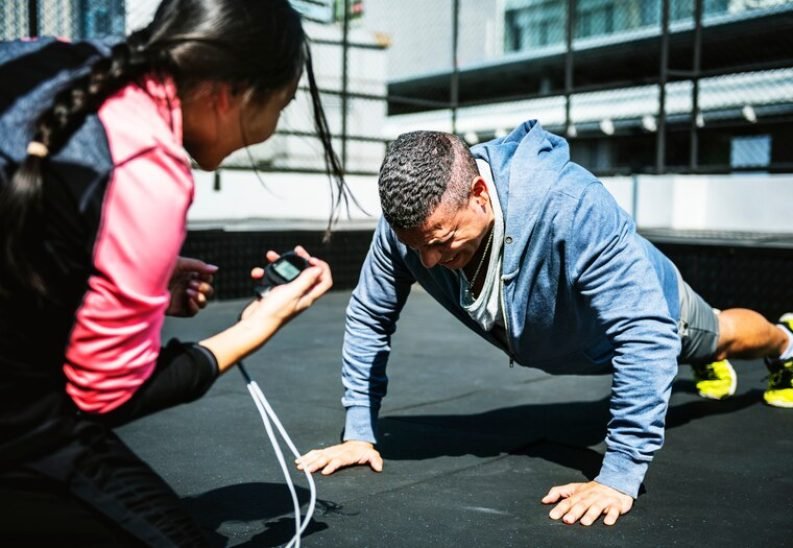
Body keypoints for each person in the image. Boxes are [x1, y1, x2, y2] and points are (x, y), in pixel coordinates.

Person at [297, 122, 793, 527]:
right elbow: (369, 315)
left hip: (653, 304)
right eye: (417, 246)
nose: (428, 260)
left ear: (478, 194)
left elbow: (644, 331)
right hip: (572, 340)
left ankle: (785, 343)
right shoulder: (410, 230)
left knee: (722, 334)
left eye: (443, 240)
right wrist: (359, 431)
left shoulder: (569, 205)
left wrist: (619, 473)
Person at [0, 0, 342, 544]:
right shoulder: (147, 171)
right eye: (283, 104)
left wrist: (130, 270)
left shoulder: (61, 62)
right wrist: (256, 326)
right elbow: (104, 395)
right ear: (228, 95)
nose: (276, 125)